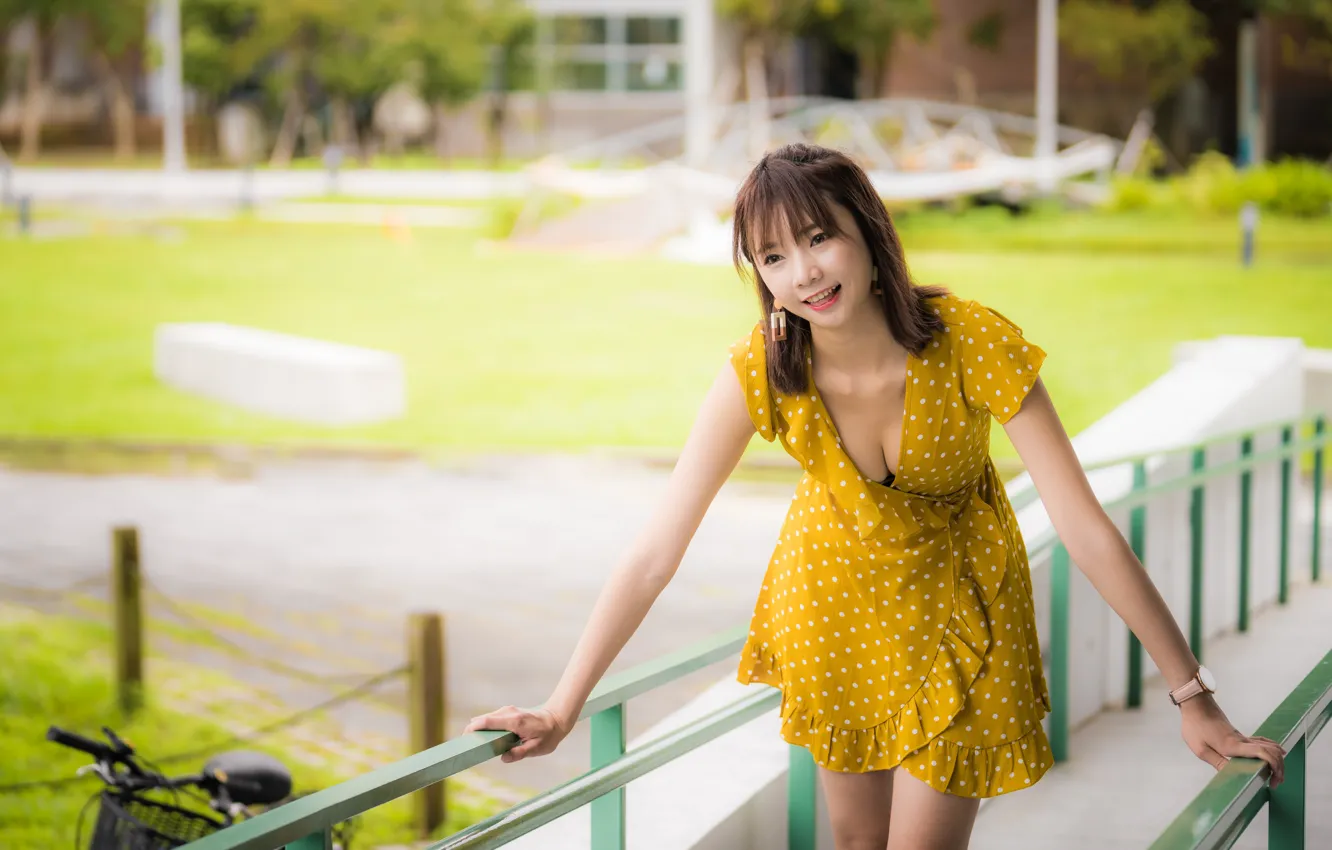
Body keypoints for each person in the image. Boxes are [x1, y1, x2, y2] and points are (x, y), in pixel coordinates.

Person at [463, 144, 1286, 849]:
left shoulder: (970, 340)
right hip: (834, 612)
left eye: (820, 238)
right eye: (775, 257)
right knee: (856, 842)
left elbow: (1084, 526)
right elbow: (655, 553)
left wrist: (1193, 696)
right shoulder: (763, 366)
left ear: (869, 230)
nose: (805, 273)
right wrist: (561, 707)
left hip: (964, 604)